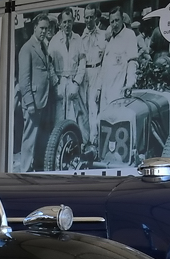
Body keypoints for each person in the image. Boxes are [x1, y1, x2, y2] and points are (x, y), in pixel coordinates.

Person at [93, 5, 139, 149]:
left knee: (118, 124)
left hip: (119, 90)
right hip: (106, 91)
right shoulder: (110, 39)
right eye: (112, 21)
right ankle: (103, 151)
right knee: (104, 122)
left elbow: (132, 62)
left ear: (122, 19)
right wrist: (99, 89)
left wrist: (130, 84)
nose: (114, 24)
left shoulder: (129, 35)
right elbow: (104, 67)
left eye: (117, 20)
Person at [17, 13, 56, 171]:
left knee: (41, 137)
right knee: (29, 138)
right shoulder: (27, 48)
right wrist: (30, 103)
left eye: (46, 28)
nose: (44, 31)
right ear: (35, 28)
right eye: (41, 28)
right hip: (33, 102)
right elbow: (24, 80)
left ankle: (37, 168)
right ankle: (25, 170)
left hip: (44, 99)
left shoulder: (43, 46)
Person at [48, 8, 87, 137]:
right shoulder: (54, 40)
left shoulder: (78, 39)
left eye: (69, 21)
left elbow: (82, 62)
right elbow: (49, 65)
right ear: (60, 23)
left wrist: (77, 82)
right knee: (59, 117)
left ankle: (74, 142)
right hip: (60, 82)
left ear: (73, 21)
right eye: (64, 22)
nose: (67, 25)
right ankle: (59, 143)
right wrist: (56, 83)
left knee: (75, 115)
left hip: (73, 82)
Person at [79, 4, 107, 150]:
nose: (89, 20)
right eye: (86, 17)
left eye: (91, 17)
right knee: (84, 106)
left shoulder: (103, 35)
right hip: (85, 72)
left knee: (94, 105)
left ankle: (94, 139)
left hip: (97, 70)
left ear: (96, 18)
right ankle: (85, 139)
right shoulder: (81, 38)